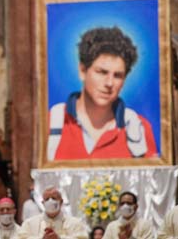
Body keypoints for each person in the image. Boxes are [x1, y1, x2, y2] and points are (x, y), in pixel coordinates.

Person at [48, 26, 157, 160]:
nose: (109, 83)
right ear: (82, 71)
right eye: (102, 72)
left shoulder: (139, 129)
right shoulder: (50, 124)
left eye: (117, 75)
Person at [18, 187, 88, 239]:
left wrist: (59, 238)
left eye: (54, 198)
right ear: (43, 203)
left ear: (61, 202)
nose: (50, 201)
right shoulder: (29, 223)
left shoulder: (75, 223)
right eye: (47, 199)